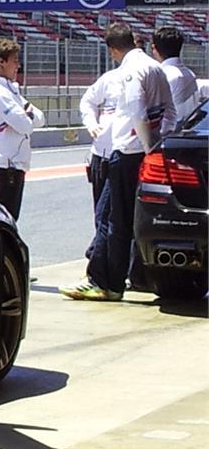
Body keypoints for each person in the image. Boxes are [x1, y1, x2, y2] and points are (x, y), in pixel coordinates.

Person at [64, 24, 175, 302]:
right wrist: (158, 143)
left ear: (113, 50)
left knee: (114, 220)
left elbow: (137, 110)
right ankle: (109, 277)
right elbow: (170, 111)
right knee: (121, 217)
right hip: (148, 150)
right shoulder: (155, 67)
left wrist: (146, 145)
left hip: (127, 152)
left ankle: (107, 283)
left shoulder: (128, 72)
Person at [0, 38, 44, 220]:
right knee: (6, 218)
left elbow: (40, 118)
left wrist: (26, 116)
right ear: (1, 62)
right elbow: (26, 126)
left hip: (14, 161)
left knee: (9, 216)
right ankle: (2, 248)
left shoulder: (10, 90)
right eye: (15, 60)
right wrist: (27, 116)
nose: (18, 65)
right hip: (7, 161)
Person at [78, 65, 119, 259]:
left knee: (116, 214)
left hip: (129, 155)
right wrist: (91, 123)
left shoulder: (148, 76)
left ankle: (102, 256)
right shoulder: (110, 78)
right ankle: (100, 254)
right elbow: (87, 101)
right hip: (102, 154)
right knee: (101, 213)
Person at [150, 26, 199, 123]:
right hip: (188, 130)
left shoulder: (163, 75)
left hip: (169, 133)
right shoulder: (190, 73)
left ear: (154, 48)